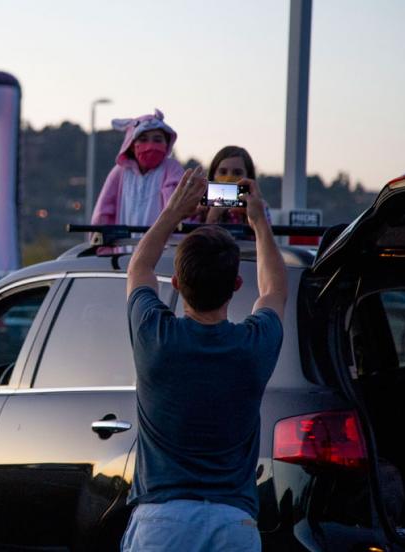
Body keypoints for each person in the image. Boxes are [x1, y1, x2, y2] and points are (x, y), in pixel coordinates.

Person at [122, 166, 287, 551]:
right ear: (236, 285)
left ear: (176, 285)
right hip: (234, 524)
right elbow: (275, 289)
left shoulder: (154, 335)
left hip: (161, 523)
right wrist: (259, 221)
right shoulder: (253, 346)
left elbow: (139, 268)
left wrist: (173, 211)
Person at [91, 109, 185, 227]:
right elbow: (102, 213)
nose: (150, 145)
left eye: (157, 140)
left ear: (167, 144)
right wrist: (104, 244)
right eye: (143, 139)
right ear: (131, 145)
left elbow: (184, 203)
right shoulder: (119, 173)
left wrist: (213, 208)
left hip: (166, 244)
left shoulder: (172, 168)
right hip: (123, 245)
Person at [190, 145, 256, 224]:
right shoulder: (197, 207)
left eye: (237, 173)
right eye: (223, 172)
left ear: (248, 176)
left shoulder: (258, 208)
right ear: (213, 175)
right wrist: (212, 217)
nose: (229, 178)